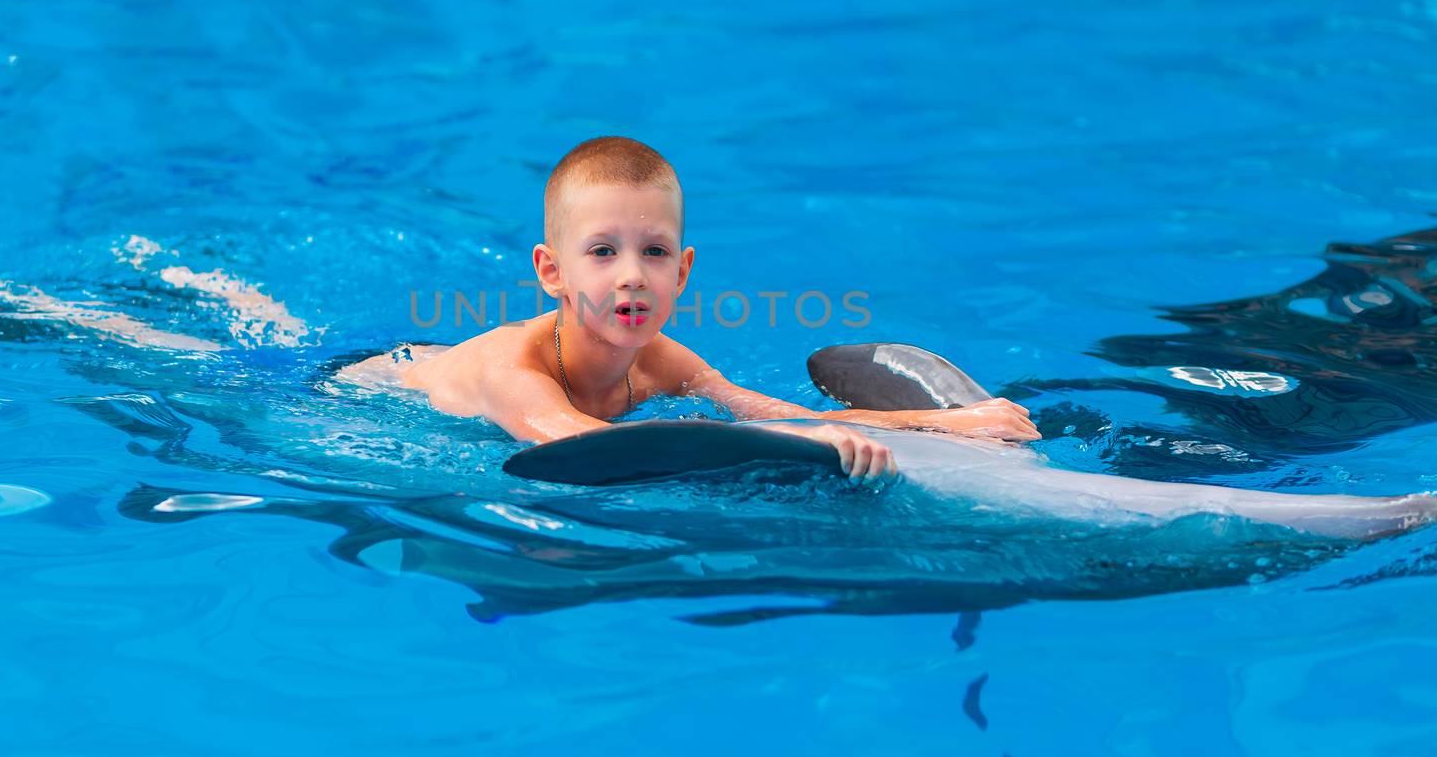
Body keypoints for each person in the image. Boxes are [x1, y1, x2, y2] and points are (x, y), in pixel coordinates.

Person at [339, 136, 1038, 478]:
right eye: (603, 252)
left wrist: (953, 423)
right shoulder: (513, 367)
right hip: (350, 388)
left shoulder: (659, 361)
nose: (632, 278)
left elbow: (785, 415)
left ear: (684, 272)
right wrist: (806, 447)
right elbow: (578, 442)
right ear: (552, 272)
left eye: (655, 253)